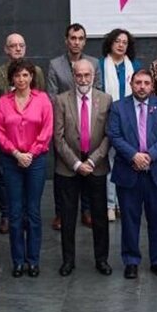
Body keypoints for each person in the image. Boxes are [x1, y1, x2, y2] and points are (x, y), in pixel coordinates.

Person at [107, 70, 157, 280]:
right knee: (129, 219)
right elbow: (114, 135)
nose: (142, 86)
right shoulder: (118, 107)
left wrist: (149, 155)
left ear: (152, 86)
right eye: (138, 82)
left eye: (146, 83)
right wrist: (134, 156)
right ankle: (131, 261)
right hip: (129, 171)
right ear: (131, 83)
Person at [53, 60, 112, 277]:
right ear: (73, 76)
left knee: (99, 216)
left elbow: (109, 135)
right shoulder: (61, 100)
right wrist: (77, 164)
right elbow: (57, 138)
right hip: (69, 167)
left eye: (87, 75)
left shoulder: (105, 100)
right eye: (79, 75)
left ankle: (102, 260)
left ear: (94, 76)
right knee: (68, 217)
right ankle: (68, 261)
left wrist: (93, 161)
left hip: (96, 165)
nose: (83, 80)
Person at [0, 59, 53, 278]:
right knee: (15, 213)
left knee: (34, 212)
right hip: (11, 160)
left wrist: (31, 153)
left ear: (32, 77)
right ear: (12, 78)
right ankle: (18, 261)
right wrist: (16, 153)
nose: (21, 79)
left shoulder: (43, 99)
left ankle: (33, 260)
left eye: (26, 75)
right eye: (17, 75)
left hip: (35, 161)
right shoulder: (3, 102)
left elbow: (47, 130)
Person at [0, 33, 46, 235]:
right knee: (4, 179)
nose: (17, 49)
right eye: (13, 46)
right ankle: (6, 215)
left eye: (21, 45)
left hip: (32, 138)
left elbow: (42, 101)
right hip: (6, 138)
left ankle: (27, 216)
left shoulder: (36, 71)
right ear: (6, 49)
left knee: (31, 184)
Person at [46, 23, 102, 232]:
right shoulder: (55, 65)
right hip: (64, 126)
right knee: (63, 174)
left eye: (80, 38)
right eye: (73, 38)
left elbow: (99, 93)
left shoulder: (94, 63)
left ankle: (86, 210)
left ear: (85, 41)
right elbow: (51, 97)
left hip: (89, 125)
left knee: (88, 168)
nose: (76, 42)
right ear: (66, 40)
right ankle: (61, 213)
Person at [99, 28, 142, 224]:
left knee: (128, 160)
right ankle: (110, 204)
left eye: (124, 42)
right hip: (107, 118)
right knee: (110, 161)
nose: (121, 45)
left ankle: (124, 203)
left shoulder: (135, 66)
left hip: (132, 119)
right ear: (110, 43)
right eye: (117, 41)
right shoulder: (100, 65)